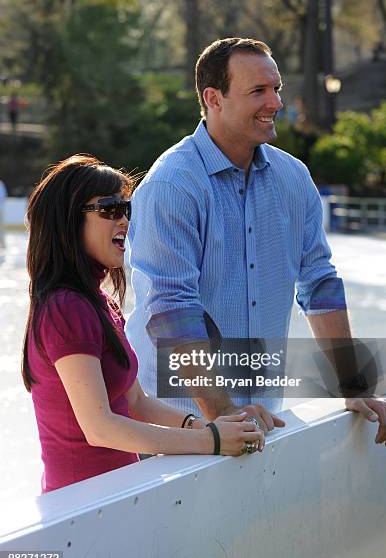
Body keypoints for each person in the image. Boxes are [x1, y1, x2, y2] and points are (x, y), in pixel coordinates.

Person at [125, 37, 386, 447]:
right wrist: (224, 415)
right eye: (258, 91)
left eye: (276, 88)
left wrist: (351, 382)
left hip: (266, 420)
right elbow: (172, 313)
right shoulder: (172, 185)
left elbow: (319, 283)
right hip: (181, 431)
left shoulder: (294, 178)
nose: (276, 103)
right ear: (214, 99)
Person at [22, 155, 265, 494]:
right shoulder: (66, 308)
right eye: (109, 209)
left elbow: (136, 402)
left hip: (117, 497)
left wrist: (205, 424)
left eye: (127, 209)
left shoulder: (98, 303)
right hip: (82, 509)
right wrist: (211, 440)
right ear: (68, 219)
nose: (124, 219)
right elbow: (99, 427)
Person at [0, 178, 7, 249]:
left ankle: (2, 244)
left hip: (0, 209)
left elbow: (3, 197)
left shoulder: (1, 184)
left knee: (1, 227)